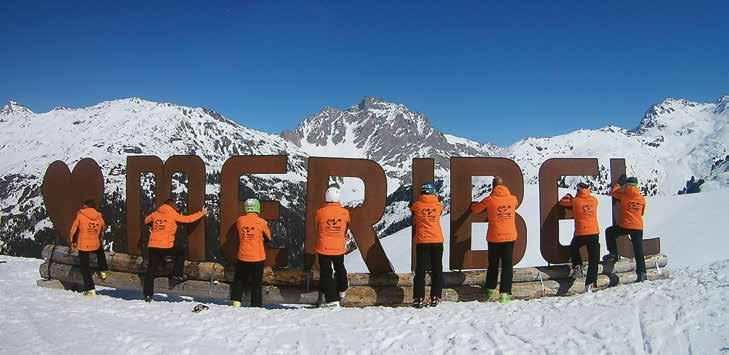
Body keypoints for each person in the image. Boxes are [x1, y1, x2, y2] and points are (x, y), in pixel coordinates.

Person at [143, 198, 206, 302]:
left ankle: (148, 294)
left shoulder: (155, 213)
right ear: (171, 205)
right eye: (175, 204)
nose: (176, 206)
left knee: (150, 270)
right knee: (181, 251)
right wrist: (202, 213)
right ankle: (176, 275)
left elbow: (146, 220)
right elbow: (188, 219)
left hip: (153, 246)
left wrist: (152, 226)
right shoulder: (173, 214)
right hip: (166, 247)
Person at [471, 177, 518, 304]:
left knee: (493, 264)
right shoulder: (513, 199)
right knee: (507, 265)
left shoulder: (489, 200)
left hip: (494, 237)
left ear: (493, 186)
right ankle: (505, 294)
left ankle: (491, 288)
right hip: (510, 236)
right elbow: (516, 205)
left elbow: (475, 209)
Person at [604, 176, 648, 282]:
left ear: (627, 185)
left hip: (625, 225)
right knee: (638, 251)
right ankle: (642, 274)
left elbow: (613, 192)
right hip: (638, 226)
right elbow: (642, 212)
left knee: (610, 232)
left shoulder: (624, 195)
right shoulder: (641, 198)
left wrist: (619, 183)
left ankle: (613, 252)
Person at [559, 182, 600, 293]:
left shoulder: (575, 201)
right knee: (593, 260)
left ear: (578, 190)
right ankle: (590, 284)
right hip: (594, 232)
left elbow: (562, 201)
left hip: (581, 232)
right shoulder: (594, 200)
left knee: (574, 247)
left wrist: (569, 195)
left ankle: (578, 267)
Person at [230, 198, 271, 308]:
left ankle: (236, 302)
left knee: (239, 279)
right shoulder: (262, 222)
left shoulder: (240, 220)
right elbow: (268, 238)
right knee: (256, 282)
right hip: (258, 256)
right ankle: (256, 305)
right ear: (258, 208)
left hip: (242, 255)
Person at [410, 182, 445, 308]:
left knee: (420, 270)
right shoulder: (439, 205)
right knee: (437, 269)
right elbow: (442, 210)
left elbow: (412, 209)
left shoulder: (417, 205)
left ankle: (418, 298)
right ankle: (435, 297)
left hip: (422, 241)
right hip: (437, 240)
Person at [315, 186, 351, 308]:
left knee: (326, 272)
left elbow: (317, 225)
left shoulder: (320, 212)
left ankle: (332, 299)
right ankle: (342, 288)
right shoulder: (345, 213)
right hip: (338, 247)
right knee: (340, 268)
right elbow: (346, 227)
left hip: (323, 247)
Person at [69, 199, 109, 297]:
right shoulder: (99, 217)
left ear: (86, 206)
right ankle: (103, 270)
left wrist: (73, 241)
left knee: (84, 268)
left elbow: (73, 230)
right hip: (95, 243)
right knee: (100, 252)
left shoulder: (81, 215)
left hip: (83, 245)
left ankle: (90, 289)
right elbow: (104, 227)